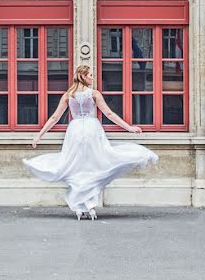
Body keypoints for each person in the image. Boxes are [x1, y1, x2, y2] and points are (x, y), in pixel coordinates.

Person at [25, 64, 158, 220]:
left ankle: (80, 207)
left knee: (77, 167)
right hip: (92, 130)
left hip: (75, 132)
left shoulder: (68, 95)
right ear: (83, 76)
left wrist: (39, 136)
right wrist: (128, 127)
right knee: (94, 165)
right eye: (90, 75)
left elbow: (54, 118)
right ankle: (89, 205)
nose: (92, 78)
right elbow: (108, 113)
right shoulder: (94, 94)